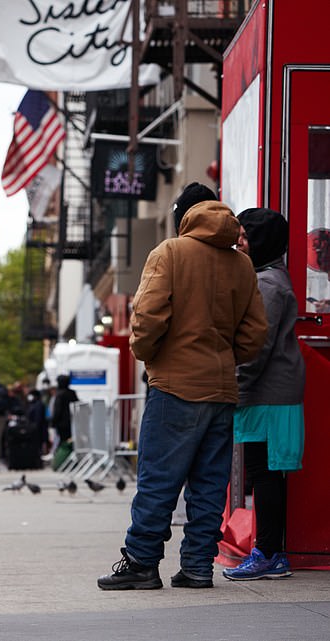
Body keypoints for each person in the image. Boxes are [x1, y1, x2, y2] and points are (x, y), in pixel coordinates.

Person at [98, 182, 267, 591]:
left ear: (183, 217)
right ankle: (196, 567)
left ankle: (140, 561)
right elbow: (254, 333)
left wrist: (150, 354)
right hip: (222, 389)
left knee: (159, 478)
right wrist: (225, 358)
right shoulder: (242, 265)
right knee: (209, 486)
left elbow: (148, 319)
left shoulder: (170, 253)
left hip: (174, 385)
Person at [223, 208, 305, 581]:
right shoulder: (269, 278)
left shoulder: (268, 284)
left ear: (262, 239)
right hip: (268, 391)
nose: (239, 241)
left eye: (245, 235)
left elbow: (258, 345)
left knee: (265, 473)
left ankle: (269, 553)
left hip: (267, 393)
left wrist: (235, 387)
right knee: (267, 472)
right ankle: (271, 551)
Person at [51, 374, 78, 445]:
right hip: (73, 422)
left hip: (62, 424)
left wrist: (53, 422)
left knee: (63, 442)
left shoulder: (60, 394)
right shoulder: (72, 393)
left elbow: (57, 410)